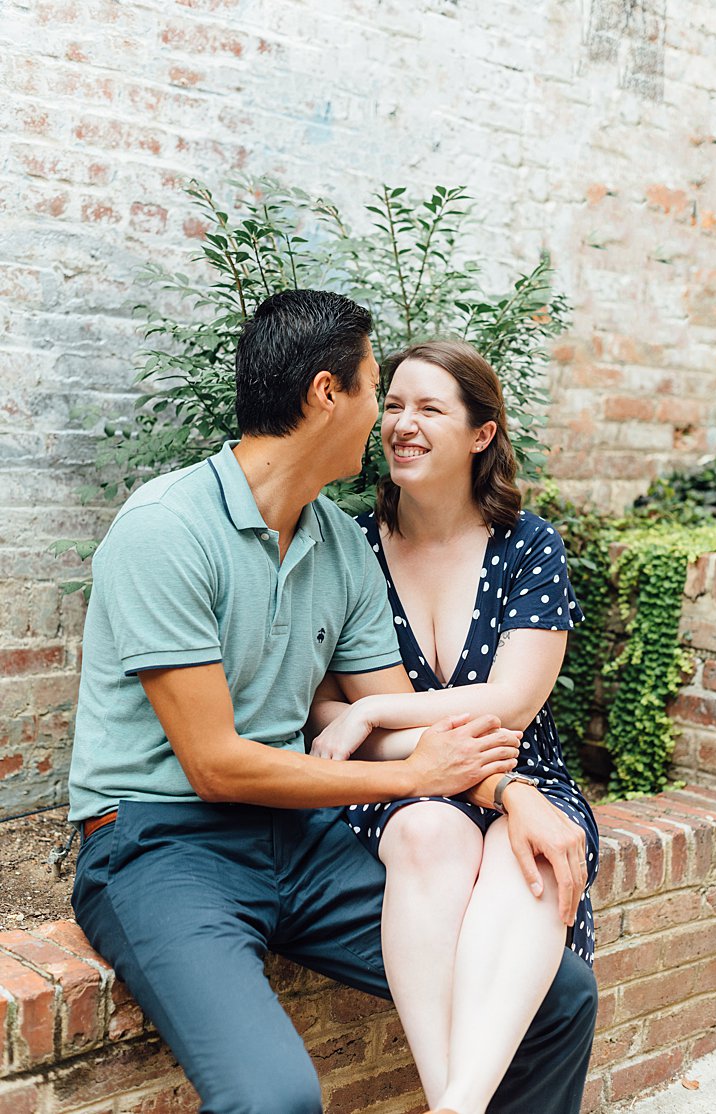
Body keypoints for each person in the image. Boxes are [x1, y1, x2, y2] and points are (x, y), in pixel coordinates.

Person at [68, 290, 598, 1114]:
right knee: (275, 1099)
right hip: (158, 845)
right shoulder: (166, 529)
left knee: (557, 998)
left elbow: (394, 721)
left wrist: (511, 792)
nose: (386, 421)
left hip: (292, 839)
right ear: (327, 395)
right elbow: (215, 766)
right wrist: (411, 779)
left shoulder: (333, 547)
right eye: (376, 392)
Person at [306, 339, 598, 1114]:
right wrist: (362, 719)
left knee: (528, 859)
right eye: (394, 404)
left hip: (520, 777)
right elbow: (318, 714)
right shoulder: (347, 545)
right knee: (431, 832)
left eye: (430, 408)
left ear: (481, 434)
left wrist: (373, 707)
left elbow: (508, 705)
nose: (403, 423)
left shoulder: (529, 547)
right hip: (399, 787)